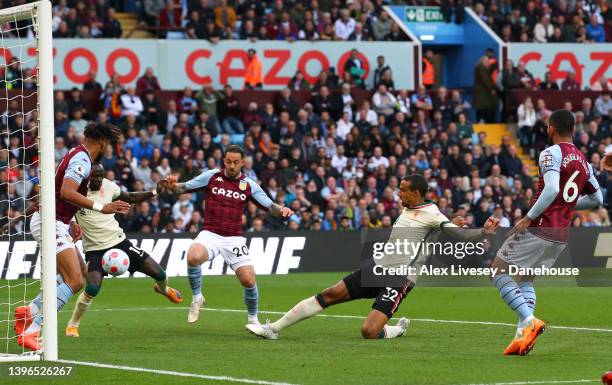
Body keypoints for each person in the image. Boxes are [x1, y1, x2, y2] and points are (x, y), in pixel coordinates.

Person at [246, 174, 499, 340]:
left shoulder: (431, 213)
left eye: (404, 191)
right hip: (378, 268)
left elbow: (459, 235)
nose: (399, 194)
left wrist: (482, 231)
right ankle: (274, 328)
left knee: (369, 331)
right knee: (330, 294)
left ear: (418, 193)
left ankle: (396, 329)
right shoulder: (410, 208)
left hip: (400, 278)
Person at [490, 109, 603, 356]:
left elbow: (551, 189)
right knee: (526, 278)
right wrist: (568, 205)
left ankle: (529, 320)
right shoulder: (584, 161)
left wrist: (528, 218)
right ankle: (522, 336)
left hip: (540, 227)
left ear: (551, 128)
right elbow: (598, 198)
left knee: (498, 270)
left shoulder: (550, 153)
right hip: (560, 234)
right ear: (574, 130)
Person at [15, 123, 129, 351]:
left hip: (57, 220)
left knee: (81, 271)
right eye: (111, 144)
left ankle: (30, 311)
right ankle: (32, 331)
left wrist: (72, 221)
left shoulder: (78, 154)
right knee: (75, 280)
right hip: (49, 221)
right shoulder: (82, 160)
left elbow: (61, 193)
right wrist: (102, 207)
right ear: (104, 142)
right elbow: (67, 191)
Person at [165, 145, 293, 328]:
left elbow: (270, 206)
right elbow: (183, 188)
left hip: (234, 238)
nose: (231, 166)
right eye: (228, 161)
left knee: (248, 280)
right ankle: (197, 297)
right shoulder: (212, 176)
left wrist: (282, 210)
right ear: (224, 161)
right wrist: (172, 185)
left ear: (242, 163)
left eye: (235, 162)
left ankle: (253, 320)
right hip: (210, 233)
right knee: (193, 256)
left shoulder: (249, 185)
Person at [65, 165, 182, 337]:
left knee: (161, 274)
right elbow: (63, 211)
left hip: (120, 243)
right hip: (94, 250)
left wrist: (154, 192)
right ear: (86, 177)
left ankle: (164, 290)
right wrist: (72, 222)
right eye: (95, 176)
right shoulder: (76, 193)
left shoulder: (108, 186)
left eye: (100, 175)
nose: (99, 179)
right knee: (92, 288)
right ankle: (72, 325)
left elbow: (130, 197)